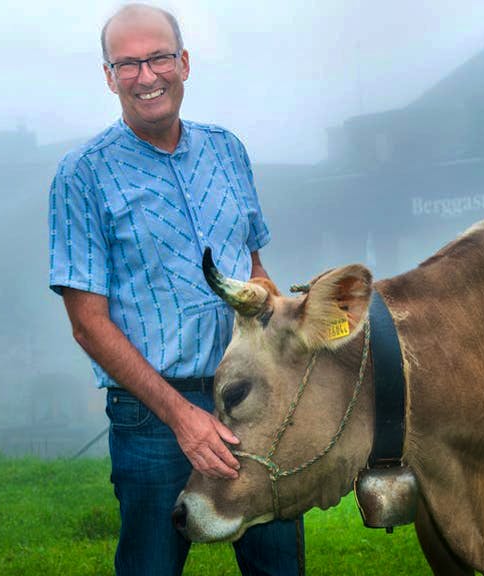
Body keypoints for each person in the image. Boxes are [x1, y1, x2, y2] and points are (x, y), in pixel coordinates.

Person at [47, 4, 304, 575]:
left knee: (278, 563)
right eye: (128, 64)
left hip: (254, 398)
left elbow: (255, 268)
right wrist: (181, 417)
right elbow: (88, 322)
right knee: (150, 567)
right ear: (109, 76)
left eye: (159, 57)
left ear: (184, 63)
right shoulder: (81, 174)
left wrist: (291, 329)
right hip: (150, 416)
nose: (146, 76)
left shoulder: (227, 150)